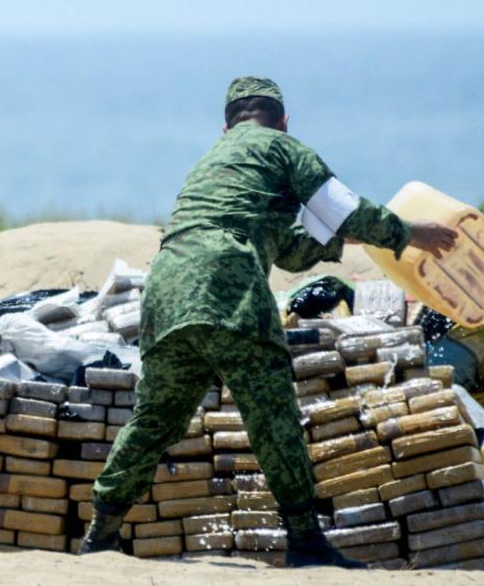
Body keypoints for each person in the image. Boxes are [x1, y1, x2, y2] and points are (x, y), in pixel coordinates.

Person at [79, 77, 458, 566]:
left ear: (227, 125)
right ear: (283, 122)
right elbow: (342, 210)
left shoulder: (212, 163)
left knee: (154, 420)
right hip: (229, 288)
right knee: (273, 416)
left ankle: (100, 533)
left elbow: (292, 249)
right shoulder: (283, 149)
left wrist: (348, 241)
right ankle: (304, 540)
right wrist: (406, 233)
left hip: (166, 291)